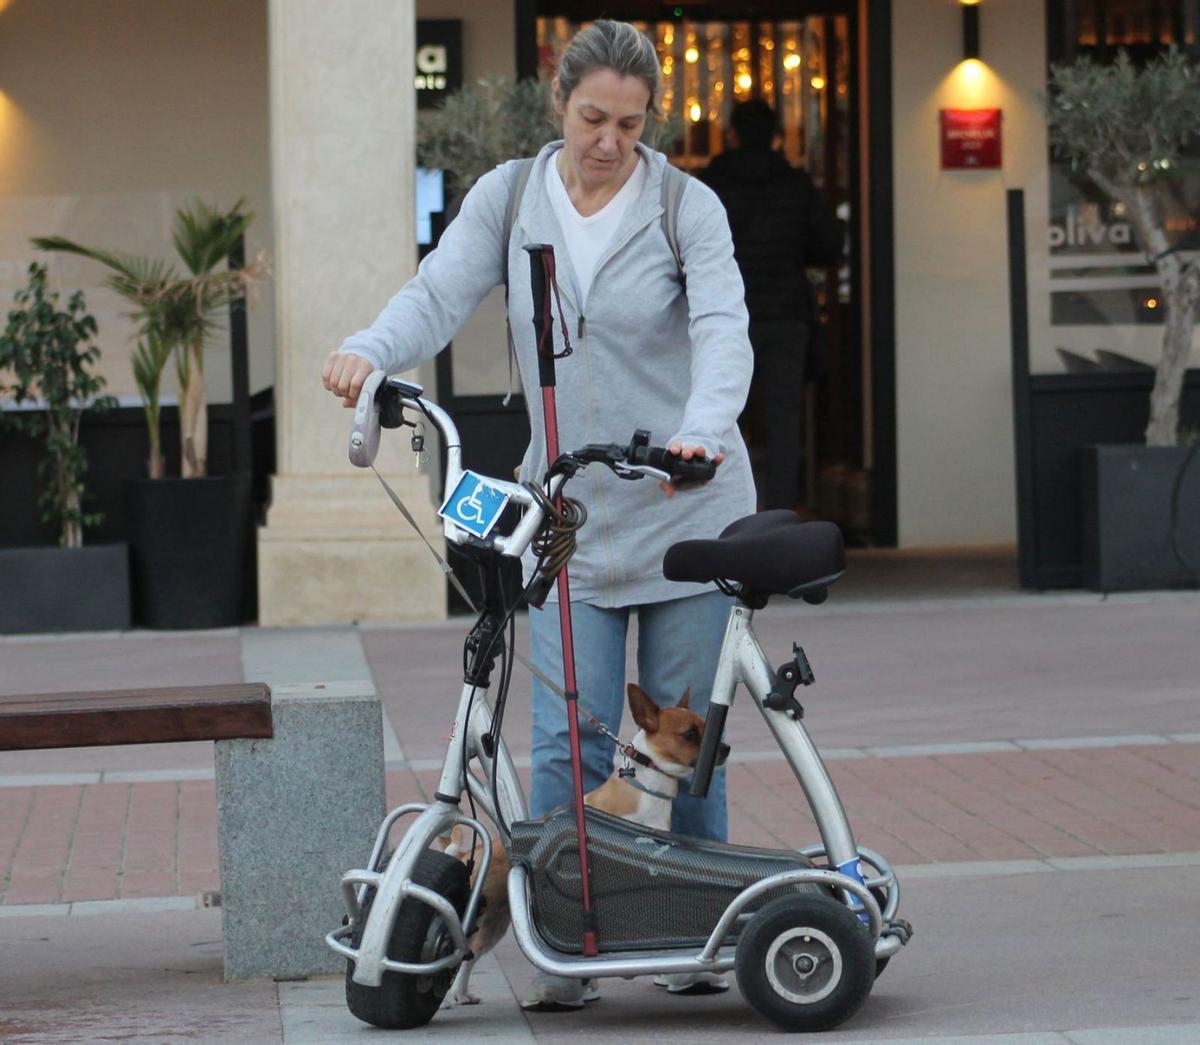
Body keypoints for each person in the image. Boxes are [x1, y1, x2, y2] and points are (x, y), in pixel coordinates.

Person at [322, 20, 754, 1007]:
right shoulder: (510, 198)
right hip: (568, 511)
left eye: (631, 123)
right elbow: (437, 294)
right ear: (558, 103)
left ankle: (693, 936)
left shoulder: (687, 207)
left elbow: (726, 332)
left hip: (687, 503)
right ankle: (573, 936)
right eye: (593, 117)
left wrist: (702, 429)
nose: (610, 139)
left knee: (681, 739)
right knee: (574, 734)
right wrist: (370, 349)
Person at [702, 99, 843, 512]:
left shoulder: (714, 183)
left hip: (728, 318)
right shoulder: (794, 183)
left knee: (722, 418)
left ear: (733, 134)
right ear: (776, 135)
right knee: (784, 420)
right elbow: (829, 244)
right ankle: (781, 513)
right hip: (786, 316)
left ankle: (729, 515)